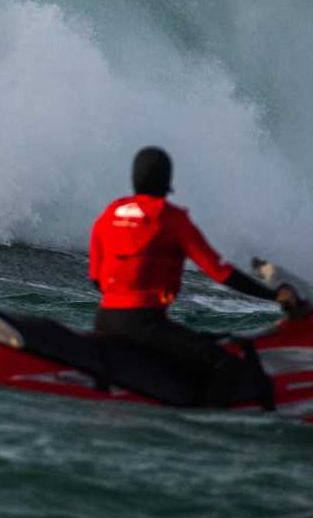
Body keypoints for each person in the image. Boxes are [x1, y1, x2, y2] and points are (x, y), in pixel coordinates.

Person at [89, 145, 287, 402]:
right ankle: (203, 427)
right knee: (226, 365)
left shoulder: (109, 214)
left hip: (104, 319)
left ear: (134, 178)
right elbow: (221, 273)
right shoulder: (171, 219)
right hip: (144, 324)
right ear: (167, 182)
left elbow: (96, 279)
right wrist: (274, 296)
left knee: (186, 344)